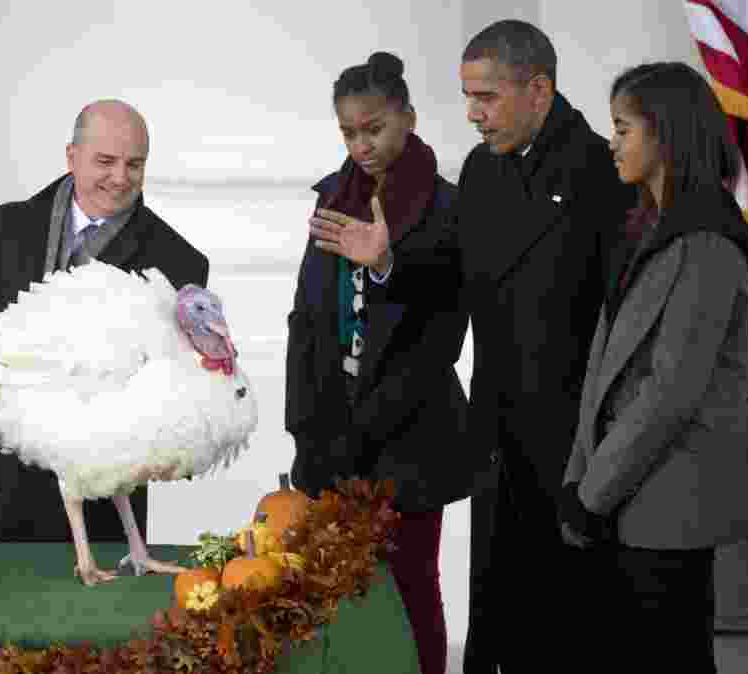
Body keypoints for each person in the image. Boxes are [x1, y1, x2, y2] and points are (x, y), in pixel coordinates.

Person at [310, 20, 636, 672]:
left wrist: (607, 453)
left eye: (485, 96)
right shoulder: (484, 171)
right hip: (496, 437)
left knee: (569, 630)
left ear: (539, 90)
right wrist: (385, 262)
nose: (472, 113)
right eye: (467, 95)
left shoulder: (604, 173)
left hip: (574, 446)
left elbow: (626, 320)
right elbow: (450, 270)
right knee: (497, 619)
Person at [558, 61, 748, 673]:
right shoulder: (651, 231)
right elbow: (607, 373)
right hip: (636, 490)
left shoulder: (705, 242)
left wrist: (592, 494)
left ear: (666, 134)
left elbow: (671, 392)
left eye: (623, 128)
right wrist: (583, 479)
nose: (612, 142)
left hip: (672, 496)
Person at [0, 99, 209, 556]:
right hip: (1, 482)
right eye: (105, 161)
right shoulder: (6, 227)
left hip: (106, 494)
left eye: (134, 164)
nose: (120, 177)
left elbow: (174, 386)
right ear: (71, 156)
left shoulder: (178, 261)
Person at [286, 51, 480, 674]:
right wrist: (302, 426)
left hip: (412, 434)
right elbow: (307, 321)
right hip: (332, 432)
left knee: (410, 586)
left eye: (374, 129)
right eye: (349, 132)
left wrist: (387, 265)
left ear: (410, 120)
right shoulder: (331, 199)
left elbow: (448, 316)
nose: (361, 144)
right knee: (334, 589)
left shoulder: (449, 205)